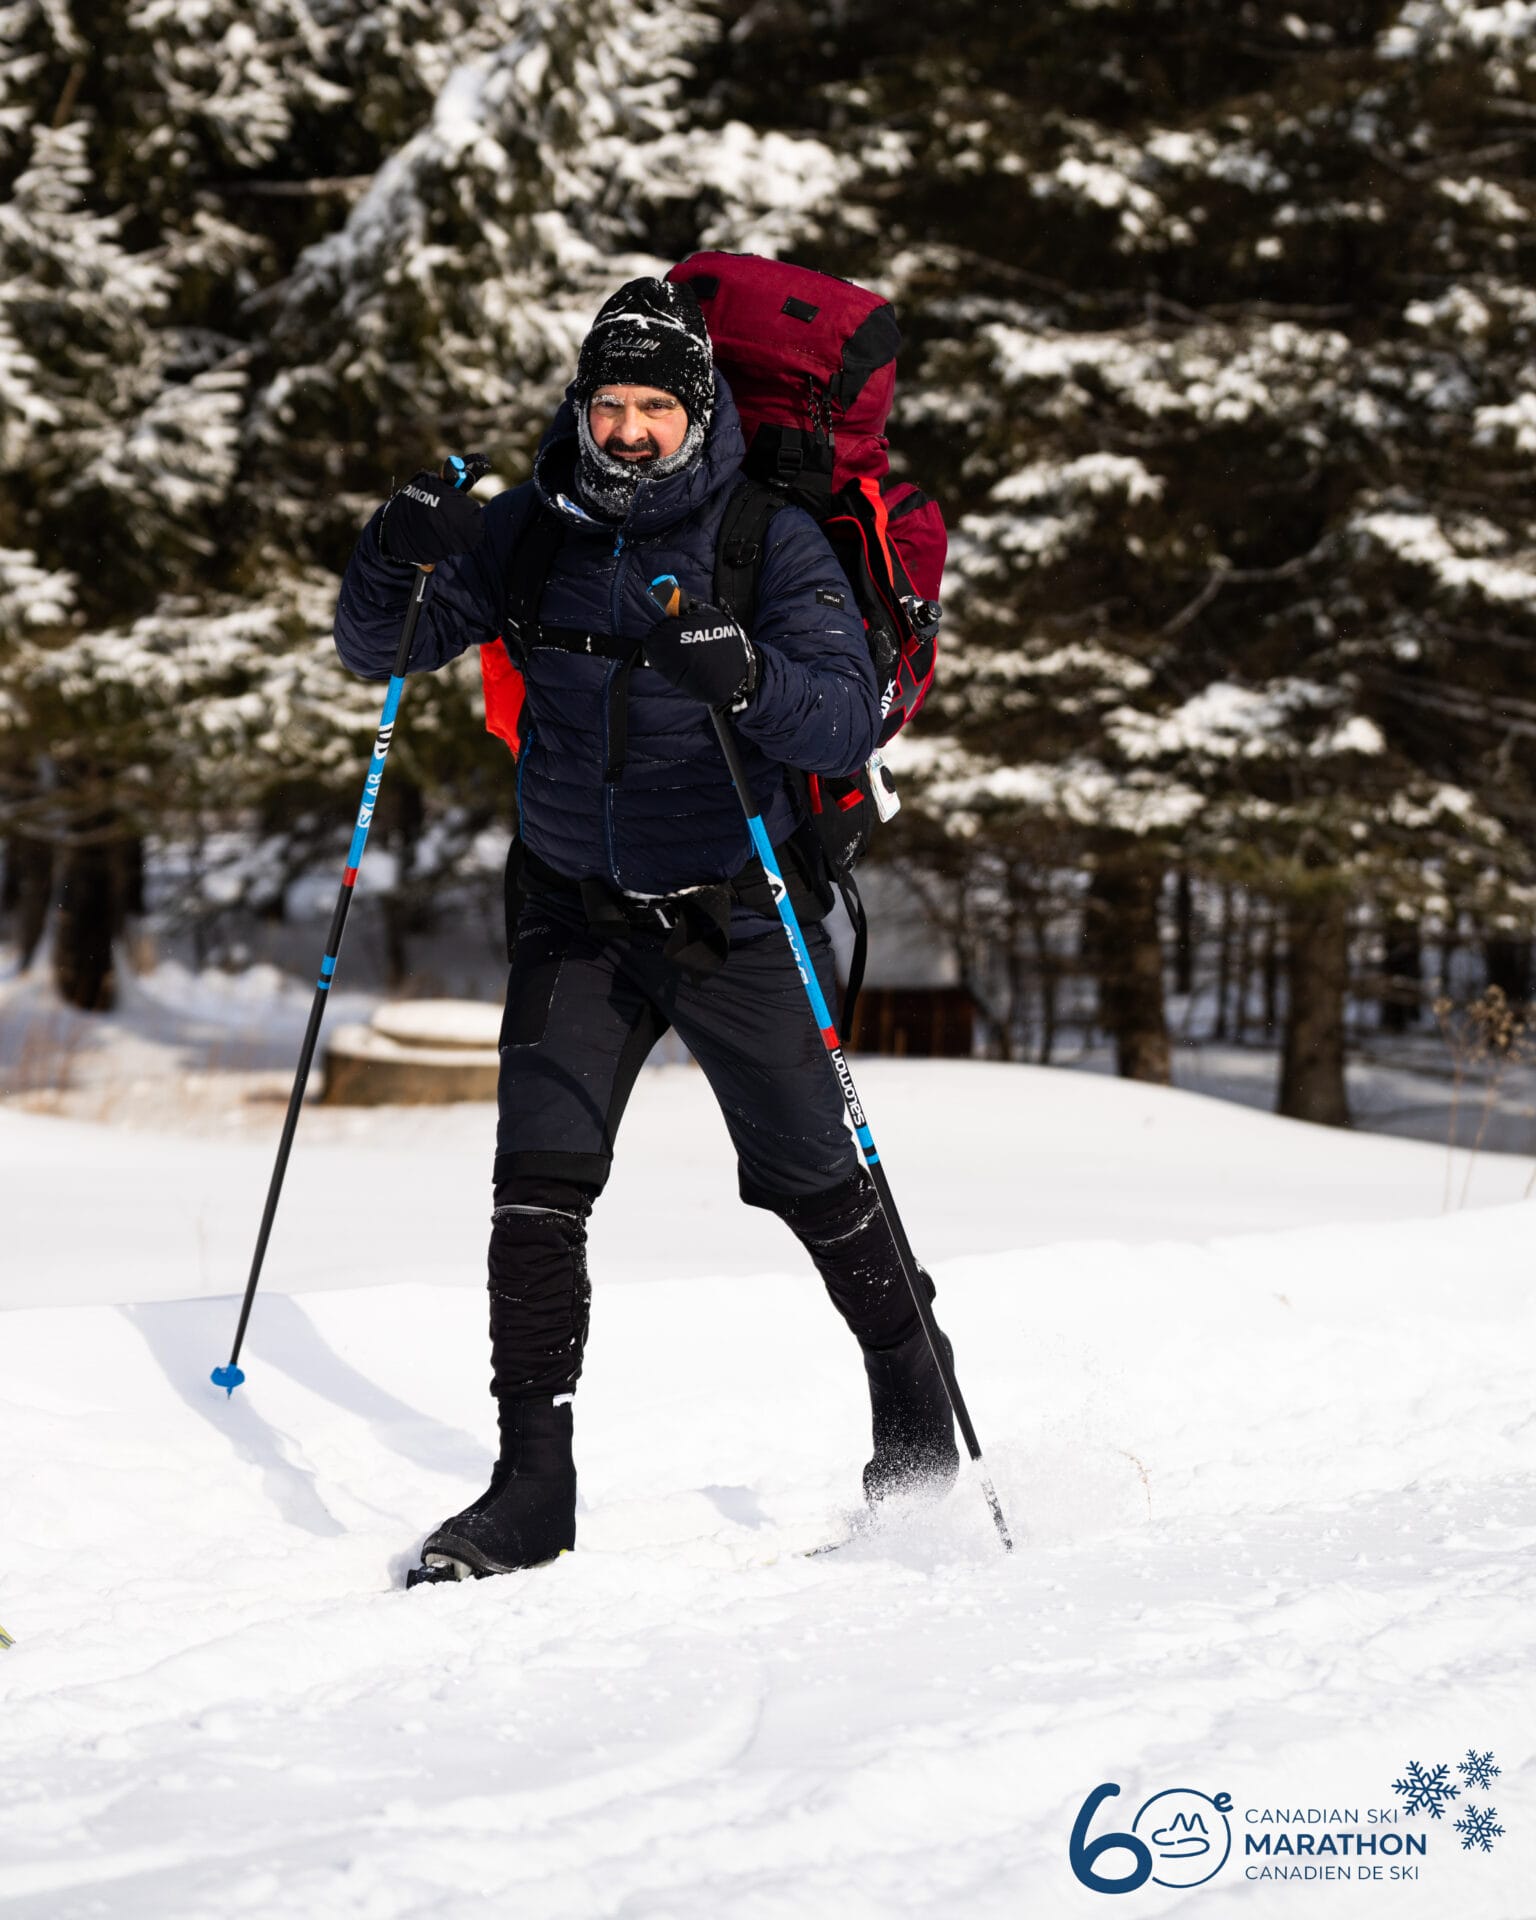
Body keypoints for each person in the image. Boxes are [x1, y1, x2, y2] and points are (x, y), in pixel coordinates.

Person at [333, 277, 958, 1578]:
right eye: (609, 404)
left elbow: (843, 717)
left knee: (818, 1183)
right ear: (583, 405)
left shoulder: (767, 539)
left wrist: (748, 675)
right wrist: (394, 548)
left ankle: (914, 1404)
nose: (626, 431)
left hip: (738, 914)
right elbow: (382, 649)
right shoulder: (531, 528)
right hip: (573, 909)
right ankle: (531, 1486)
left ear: (699, 413)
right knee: (535, 1190)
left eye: (653, 409)